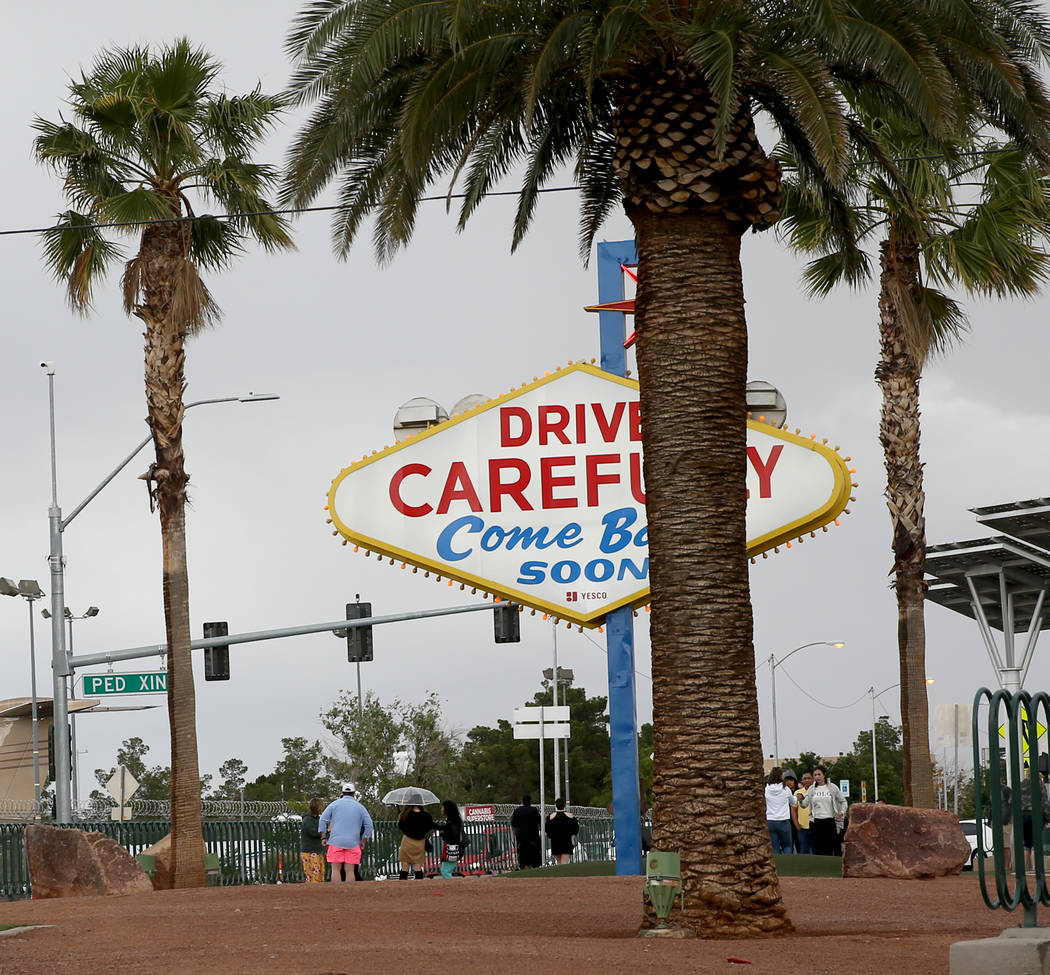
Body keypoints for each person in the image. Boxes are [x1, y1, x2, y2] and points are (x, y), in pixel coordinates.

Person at [318, 783, 373, 883]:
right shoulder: (360, 807)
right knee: (350, 870)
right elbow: (369, 825)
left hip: (335, 841)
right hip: (353, 842)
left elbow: (323, 819)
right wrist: (364, 840)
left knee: (335, 869)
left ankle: (336, 893)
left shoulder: (334, 804)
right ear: (354, 793)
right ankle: (349, 893)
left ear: (342, 793)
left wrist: (323, 837)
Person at [799, 765, 847, 856]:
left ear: (824, 775)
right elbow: (804, 804)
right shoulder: (812, 789)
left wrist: (841, 812)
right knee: (819, 848)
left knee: (833, 847)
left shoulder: (832, 787)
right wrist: (800, 800)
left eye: (819, 774)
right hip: (816, 821)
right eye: (815, 775)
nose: (817, 777)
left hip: (830, 821)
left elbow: (843, 802)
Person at [398, 802, 436, 879]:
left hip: (407, 842)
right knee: (417, 866)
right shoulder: (426, 815)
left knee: (405, 866)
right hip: (420, 843)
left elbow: (401, 826)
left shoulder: (405, 814)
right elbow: (429, 827)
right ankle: (419, 887)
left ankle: (402, 887)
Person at [764, 766, 797, 855]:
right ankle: (788, 864)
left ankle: (777, 866)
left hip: (770, 820)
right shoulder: (785, 789)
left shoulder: (766, 789)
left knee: (775, 846)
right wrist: (798, 798)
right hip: (783, 820)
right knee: (787, 845)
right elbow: (793, 802)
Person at [545, 797, 580, 865]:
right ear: (564, 805)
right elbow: (576, 829)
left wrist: (552, 836)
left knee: (558, 862)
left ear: (556, 805)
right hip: (566, 841)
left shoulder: (551, 817)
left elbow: (547, 830)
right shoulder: (570, 816)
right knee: (565, 862)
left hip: (555, 842)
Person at [511, 794, 542, 869]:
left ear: (522, 801)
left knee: (522, 853)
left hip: (521, 836)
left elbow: (513, 825)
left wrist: (514, 836)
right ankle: (535, 866)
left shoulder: (517, 811)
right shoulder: (534, 810)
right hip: (533, 836)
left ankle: (525, 866)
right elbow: (539, 821)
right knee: (534, 852)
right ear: (530, 801)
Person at [436, 799, 465, 878]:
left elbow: (453, 836)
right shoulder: (455, 820)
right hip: (455, 848)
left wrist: (443, 834)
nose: (441, 809)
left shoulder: (451, 821)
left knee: (445, 872)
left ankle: (453, 888)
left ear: (447, 809)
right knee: (445, 870)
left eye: (442, 807)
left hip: (452, 849)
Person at [300, 797, 327, 883]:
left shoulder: (318, 819)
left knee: (320, 874)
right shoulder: (307, 820)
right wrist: (326, 830)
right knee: (312, 875)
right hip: (309, 851)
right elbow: (314, 833)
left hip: (317, 850)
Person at [781, 770, 800, 852]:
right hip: (786, 822)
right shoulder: (781, 793)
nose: (789, 782)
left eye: (791, 780)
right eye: (787, 780)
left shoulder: (799, 793)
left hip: (798, 823)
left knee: (800, 845)